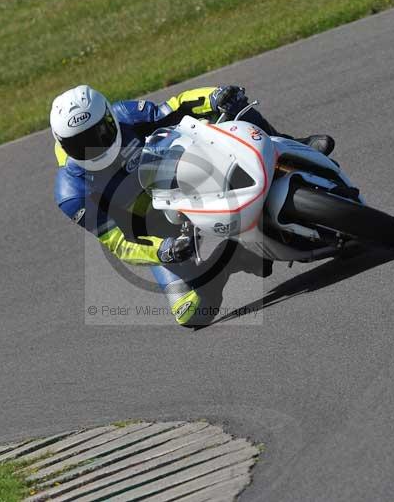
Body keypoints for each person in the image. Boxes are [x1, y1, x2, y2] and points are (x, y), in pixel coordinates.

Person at [52, 84, 334, 326]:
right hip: (157, 229)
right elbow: (118, 243)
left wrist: (214, 96)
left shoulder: (127, 115)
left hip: (182, 175)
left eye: (99, 133)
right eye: (80, 144)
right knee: (191, 312)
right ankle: (231, 260)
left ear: (110, 118)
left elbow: (177, 106)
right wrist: (162, 251)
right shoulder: (72, 193)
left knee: (233, 104)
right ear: (63, 144)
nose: (95, 147)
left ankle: (291, 144)